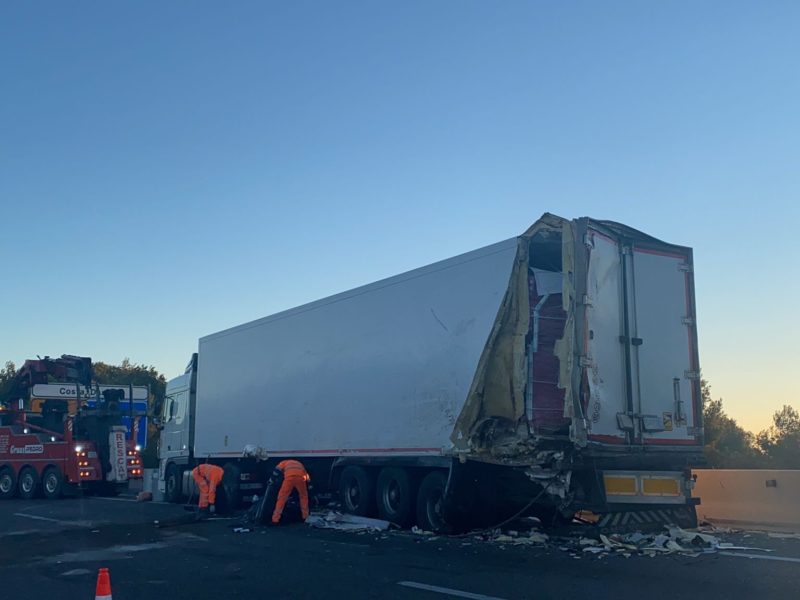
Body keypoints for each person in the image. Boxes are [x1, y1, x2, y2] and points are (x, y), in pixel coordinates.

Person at [271, 459, 310, 524]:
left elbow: (276, 471)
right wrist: (309, 484)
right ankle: (305, 517)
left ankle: (275, 519)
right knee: (303, 497)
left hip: (289, 478)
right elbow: (306, 475)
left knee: (282, 498)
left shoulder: (283, 463)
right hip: (300, 479)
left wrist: (272, 479)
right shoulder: (299, 464)